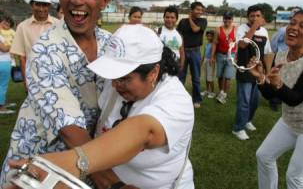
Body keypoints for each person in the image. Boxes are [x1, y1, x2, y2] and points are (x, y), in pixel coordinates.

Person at [8, 25, 195, 189]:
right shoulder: (115, 86)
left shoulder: (176, 100)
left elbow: (144, 130)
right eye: (113, 76)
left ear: (153, 72)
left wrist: (74, 162)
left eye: (124, 78)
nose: (114, 85)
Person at [0, 0, 112, 187]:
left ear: (104, 1)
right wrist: (112, 183)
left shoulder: (112, 44)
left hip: (88, 162)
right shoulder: (44, 50)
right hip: (38, 167)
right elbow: (69, 129)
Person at [249, 10, 303, 189]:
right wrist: (260, 77)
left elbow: (295, 98)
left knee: (295, 176)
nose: (293, 28)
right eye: (292, 22)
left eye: (302, 25)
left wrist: (278, 84)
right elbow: (270, 94)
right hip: (290, 121)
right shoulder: (281, 56)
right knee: (264, 156)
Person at [232, 4, 274, 140]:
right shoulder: (242, 29)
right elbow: (242, 44)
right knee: (244, 101)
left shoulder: (265, 32)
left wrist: (267, 73)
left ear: (262, 17)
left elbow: (267, 53)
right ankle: (238, 128)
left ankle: (247, 120)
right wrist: (255, 27)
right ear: (247, 17)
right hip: (245, 71)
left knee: (254, 101)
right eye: (252, 16)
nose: (255, 18)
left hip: (259, 71)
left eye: (258, 16)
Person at [9, 0, 58, 86]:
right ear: (32, 5)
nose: (41, 8)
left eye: (44, 5)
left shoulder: (58, 24)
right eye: (38, 4)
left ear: (48, 6)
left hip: (57, 77)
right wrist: (26, 83)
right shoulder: (22, 27)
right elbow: (22, 58)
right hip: (33, 79)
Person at [268, 8, 300, 111]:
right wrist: (277, 54)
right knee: (277, 78)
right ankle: (274, 100)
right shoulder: (283, 30)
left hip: (293, 58)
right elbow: (274, 42)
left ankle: (283, 99)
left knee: (289, 79)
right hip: (281, 57)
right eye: (294, 19)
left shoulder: (300, 32)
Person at [177, 1, 207, 108]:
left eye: (201, 10)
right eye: (197, 9)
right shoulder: (182, 22)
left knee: (196, 78)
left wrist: (189, 18)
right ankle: (178, 98)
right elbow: (178, 35)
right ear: (192, 10)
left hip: (195, 51)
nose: (200, 12)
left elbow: (195, 29)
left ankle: (197, 99)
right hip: (183, 51)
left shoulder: (203, 21)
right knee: (181, 76)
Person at [211, 11, 236, 104]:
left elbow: (238, 43)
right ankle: (221, 92)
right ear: (223, 19)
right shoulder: (218, 29)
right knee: (220, 75)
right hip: (220, 55)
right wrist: (212, 56)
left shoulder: (236, 29)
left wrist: (235, 54)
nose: (227, 20)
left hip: (231, 55)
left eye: (229, 18)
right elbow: (214, 43)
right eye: (225, 18)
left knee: (228, 76)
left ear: (232, 19)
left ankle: (224, 95)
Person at [0, 26, 14, 115]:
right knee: (2, 85)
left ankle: (3, 102)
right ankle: (1, 107)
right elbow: (4, 48)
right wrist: (12, 44)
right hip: (3, 61)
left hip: (3, 61)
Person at [201, 30, 216, 98]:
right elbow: (204, 54)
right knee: (206, 77)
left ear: (213, 37)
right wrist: (202, 61)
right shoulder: (207, 44)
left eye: (210, 36)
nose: (209, 37)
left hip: (210, 61)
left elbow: (214, 54)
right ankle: (207, 90)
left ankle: (212, 92)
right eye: (208, 36)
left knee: (210, 78)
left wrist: (212, 60)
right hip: (205, 60)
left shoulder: (214, 44)